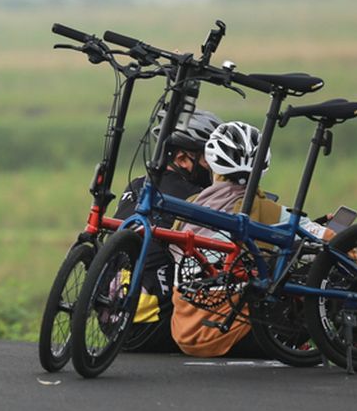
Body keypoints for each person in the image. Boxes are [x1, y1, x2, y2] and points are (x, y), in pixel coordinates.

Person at [169, 121, 333, 358]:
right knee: (332, 270)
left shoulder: (190, 206)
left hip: (185, 333)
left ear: (214, 166)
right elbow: (329, 239)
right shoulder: (269, 211)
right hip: (237, 335)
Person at [113, 108, 222, 351]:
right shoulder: (195, 198)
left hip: (112, 323)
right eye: (209, 158)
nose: (214, 168)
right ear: (183, 158)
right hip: (152, 328)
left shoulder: (138, 184)